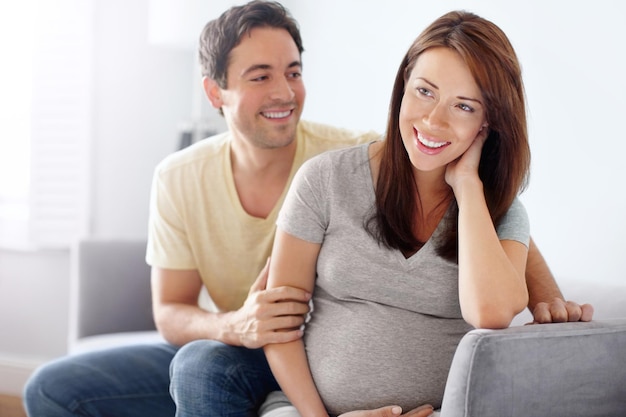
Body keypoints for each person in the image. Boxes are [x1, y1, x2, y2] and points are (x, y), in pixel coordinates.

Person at [22, 2, 593, 417]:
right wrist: (237, 325)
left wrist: (543, 294)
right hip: (244, 347)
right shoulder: (189, 177)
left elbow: (489, 221)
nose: (284, 92)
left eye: (293, 71)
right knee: (163, 370)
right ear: (214, 91)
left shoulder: (370, 149)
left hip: (314, 353)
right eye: (260, 75)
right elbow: (174, 311)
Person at [263, 9, 569, 416]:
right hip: (305, 411)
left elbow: (491, 312)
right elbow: (278, 327)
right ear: (404, 84)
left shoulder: (499, 212)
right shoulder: (324, 180)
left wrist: (467, 187)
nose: (433, 120)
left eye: (463, 106)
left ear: (489, 121)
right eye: (425, 91)